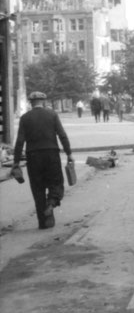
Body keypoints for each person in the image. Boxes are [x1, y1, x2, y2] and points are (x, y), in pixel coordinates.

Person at [11, 92, 74, 229]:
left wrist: (16, 162)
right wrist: (69, 153)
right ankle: (52, 201)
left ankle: (44, 223)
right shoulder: (52, 115)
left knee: (38, 189)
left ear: (30, 103)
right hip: (51, 154)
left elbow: (20, 141)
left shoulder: (25, 118)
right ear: (43, 102)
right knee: (56, 182)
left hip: (33, 156)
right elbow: (62, 135)